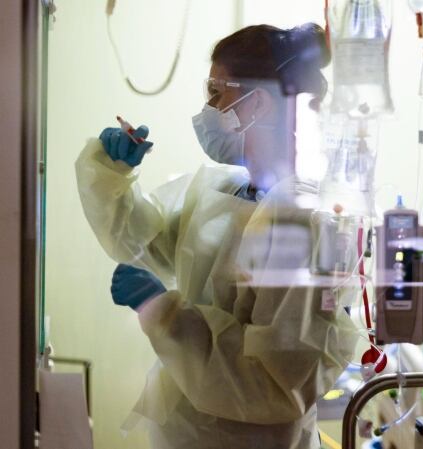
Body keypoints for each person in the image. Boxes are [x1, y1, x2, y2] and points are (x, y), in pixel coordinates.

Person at [76, 23, 359, 449]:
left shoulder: (305, 225)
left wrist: (167, 314)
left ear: (257, 103)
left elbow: (273, 386)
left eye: (216, 91)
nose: (206, 107)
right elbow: (141, 243)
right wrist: (113, 176)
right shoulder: (221, 189)